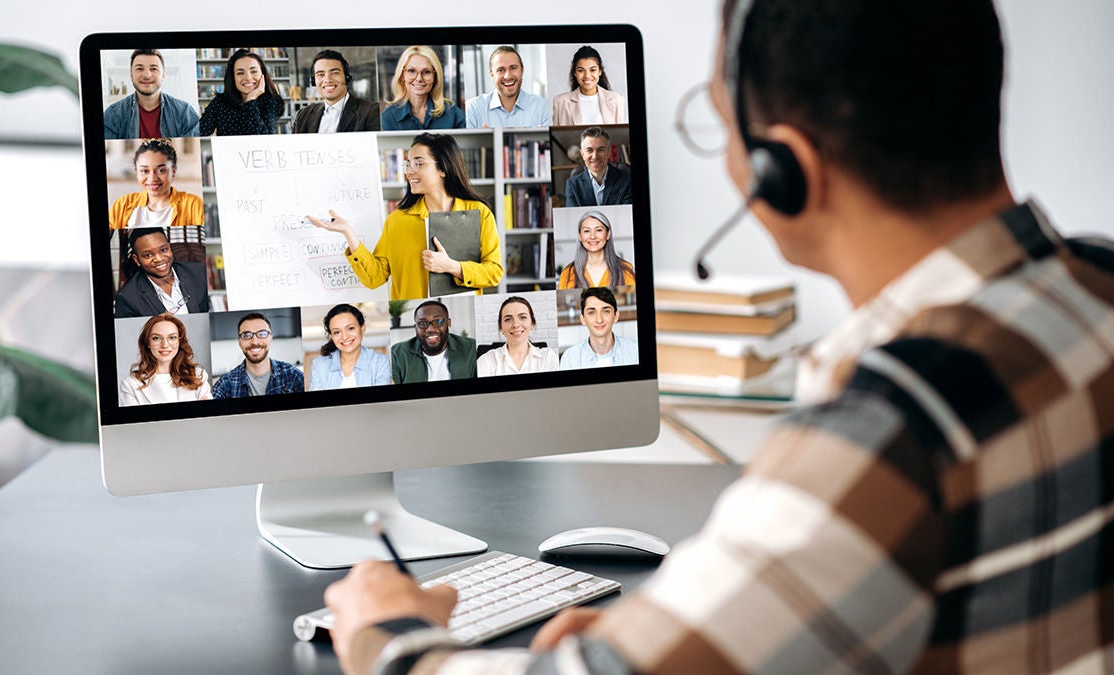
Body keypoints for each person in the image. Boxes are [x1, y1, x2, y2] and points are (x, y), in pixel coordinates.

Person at [322, 2, 1114, 673]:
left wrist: (392, 636)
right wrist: (666, 637)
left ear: (783, 170)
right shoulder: (1099, 285)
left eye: (719, 123)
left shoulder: (888, 433)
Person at [308, 133, 502, 301]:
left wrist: (453, 267)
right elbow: (374, 278)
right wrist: (348, 232)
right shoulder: (397, 221)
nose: (409, 171)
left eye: (418, 163)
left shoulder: (479, 213)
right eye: (407, 164)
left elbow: (494, 273)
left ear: (443, 168)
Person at [108, 138, 204, 230]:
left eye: (161, 170)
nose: (152, 178)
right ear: (137, 172)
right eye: (144, 171)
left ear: (173, 171)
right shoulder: (121, 205)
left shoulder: (193, 205)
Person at [103, 49, 200, 140]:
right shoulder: (112, 116)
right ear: (131, 75)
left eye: (153, 69)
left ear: (163, 75)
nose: (147, 75)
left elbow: (194, 152)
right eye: (139, 69)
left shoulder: (185, 114)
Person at [113, 227, 210, 318]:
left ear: (170, 247)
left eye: (163, 250)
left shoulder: (200, 273)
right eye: (148, 255)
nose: (159, 259)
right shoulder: (126, 298)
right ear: (137, 260)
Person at [118, 314, 212, 405]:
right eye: (156, 338)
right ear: (147, 343)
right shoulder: (130, 384)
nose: (165, 345)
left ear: (179, 341)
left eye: (172, 337)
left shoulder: (198, 375)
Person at [211, 313, 304, 398]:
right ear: (239, 342)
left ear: (270, 339)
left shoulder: (293, 376)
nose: (255, 342)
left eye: (262, 334)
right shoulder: (225, 384)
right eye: (246, 335)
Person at [291, 49, 381, 134]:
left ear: (346, 77)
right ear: (314, 81)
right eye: (321, 74)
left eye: (335, 73)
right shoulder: (303, 116)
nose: (328, 80)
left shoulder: (371, 112)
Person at [199, 49, 286, 136]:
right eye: (240, 73)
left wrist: (251, 101)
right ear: (233, 78)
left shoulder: (271, 101)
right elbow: (198, 133)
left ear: (262, 75)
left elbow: (264, 138)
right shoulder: (220, 102)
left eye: (254, 71)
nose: (248, 78)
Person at [307, 304, 391, 390]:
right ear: (332, 336)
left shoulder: (380, 363)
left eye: (350, 328)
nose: (344, 337)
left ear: (362, 328)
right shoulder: (319, 366)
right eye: (337, 332)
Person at [464, 46, 550, 129]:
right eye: (501, 70)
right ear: (492, 74)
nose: (508, 76)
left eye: (513, 68)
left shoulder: (543, 107)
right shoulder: (473, 109)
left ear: (522, 70)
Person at [380, 46, 465, 130]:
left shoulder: (453, 113)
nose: (419, 79)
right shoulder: (388, 117)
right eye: (411, 71)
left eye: (426, 72)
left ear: (435, 77)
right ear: (402, 76)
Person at [390, 300, 476, 383]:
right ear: (416, 327)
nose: (430, 329)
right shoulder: (397, 353)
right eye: (423, 323)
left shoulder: (471, 349)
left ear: (448, 323)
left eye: (438, 321)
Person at [475, 296, 559, 377]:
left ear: (532, 323)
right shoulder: (486, 361)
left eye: (522, 317)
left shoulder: (548, 357)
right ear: (501, 327)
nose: (515, 325)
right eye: (508, 319)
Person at [558, 287, 638, 369]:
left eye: (606, 311)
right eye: (591, 312)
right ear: (583, 319)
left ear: (616, 316)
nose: (599, 320)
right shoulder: (569, 359)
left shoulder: (635, 352)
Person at [551, 45, 628, 126]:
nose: (587, 75)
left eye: (592, 70)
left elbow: (619, 133)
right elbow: (556, 133)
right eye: (581, 70)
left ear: (600, 71)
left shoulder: (616, 100)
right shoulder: (561, 102)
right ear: (575, 73)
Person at [557, 210, 635, 289]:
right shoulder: (567, 273)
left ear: (608, 234)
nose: (593, 236)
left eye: (598, 230)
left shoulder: (626, 269)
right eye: (586, 231)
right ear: (580, 236)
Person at [564, 127, 632, 207]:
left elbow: (628, 213)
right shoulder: (573, 184)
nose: (595, 156)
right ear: (582, 154)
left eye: (600, 150)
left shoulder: (626, 180)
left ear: (609, 152)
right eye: (589, 150)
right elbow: (573, 214)